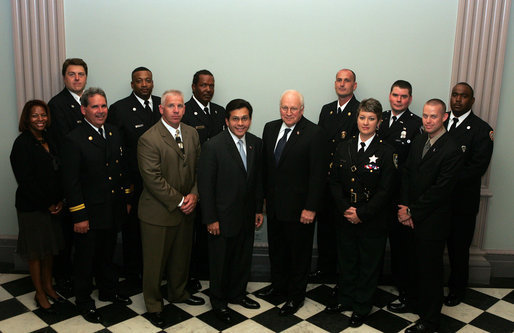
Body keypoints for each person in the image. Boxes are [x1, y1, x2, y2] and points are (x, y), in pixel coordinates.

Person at [61, 88, 132, 324]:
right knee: (85, 259)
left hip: (111, 208)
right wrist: (79, 216)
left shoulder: (113, 132)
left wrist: (126, 200)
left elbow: (119, 170)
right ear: (84, 110)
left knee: (106, 253)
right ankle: (83, 300)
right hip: (89, 213)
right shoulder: (74, 139)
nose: (100, 111)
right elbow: (71, 183)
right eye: (95, 107)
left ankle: (107, 290)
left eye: (103, 106)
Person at [324, 98, 396, 328]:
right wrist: (346, 208)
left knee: (368, 264)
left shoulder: (386, 151)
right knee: (347, 261)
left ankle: (362, 306)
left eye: (371, 118)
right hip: (345, 215)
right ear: (356, 119)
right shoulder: (343, 147)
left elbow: (386, 190)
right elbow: (334, 182)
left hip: (371, 219)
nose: (366, 122)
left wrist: (362, 213)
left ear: (379, 122)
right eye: (362, 117)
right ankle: (345, 299)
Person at [137, 90, 204, 328]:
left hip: (187, 209)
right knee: (155, 264)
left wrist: (194, 195)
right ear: (161, 109)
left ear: (185, 109)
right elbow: (152, 179)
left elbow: (198, 169)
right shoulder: (149, 138)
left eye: (180, 106)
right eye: (171, 106)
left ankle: (178, 293)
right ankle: (154, 304)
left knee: (181, 258)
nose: (176, 110)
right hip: (158, 212)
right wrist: (180, 200)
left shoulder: (192, 133)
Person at [257, 90, 327, 316]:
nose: (288, 112)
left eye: (293, 108)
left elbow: (318, 175)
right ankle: (278, 288)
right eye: (284, 108)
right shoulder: (269, 128)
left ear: (302, 110)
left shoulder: (314, 133)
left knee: (299, 255)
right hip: (275, 208)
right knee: (277, 251)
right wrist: (263, 202)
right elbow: (266, 169)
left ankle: (295, 297)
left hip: (300, 210)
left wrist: (311, 207)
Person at [396, 99, 462, 333]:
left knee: (431, 272)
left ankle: (430, 321)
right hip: (410, 215)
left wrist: (412, 211)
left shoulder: (452, 148)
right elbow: (406, 173)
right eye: (425, 116)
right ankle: (415, 304)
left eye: (433, 116)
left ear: (444, 117)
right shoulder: (420, 139)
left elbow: (441, 191)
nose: (428, 120)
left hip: (432, 222)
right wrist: (404, 206)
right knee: (413, 266)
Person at [198, 98, 263, 323]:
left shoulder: (256, 143)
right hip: (221, 218)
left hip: (246, 216)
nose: (240, 123)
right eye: (235, 119)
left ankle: (238, 294)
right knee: (220, 262)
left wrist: (258, 209)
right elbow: (205, 187)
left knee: (242, 258)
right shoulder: (213, 146)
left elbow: (256, 181)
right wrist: (210, 219)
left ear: (250, 120)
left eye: (245, 118)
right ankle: (218, 300)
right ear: (227, 120)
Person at [107, 66, 161, 284]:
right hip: (133, 182)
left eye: (148, 80)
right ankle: (132, 274)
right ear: (132, 84)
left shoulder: (162, 105)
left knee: (158, 229)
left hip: (159, 181)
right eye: (139, 81)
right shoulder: (119, 109)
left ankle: (156, 271)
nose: (144, 84)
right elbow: (114, 150)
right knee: (132, 231)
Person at [10, 100, 65, 313]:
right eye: (35, 116)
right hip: (32, 208)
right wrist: (47, 204)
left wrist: (60, 200)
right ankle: (39, 292)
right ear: (27, 119)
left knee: (49, 249)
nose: (40, 119)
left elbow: (59, 171)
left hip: (54, 205)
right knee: (36, 251)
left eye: (43, 115)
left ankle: (49, 286)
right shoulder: (22, 144)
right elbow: (26, 181)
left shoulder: (50, 139)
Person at [444, 82, 494, 306]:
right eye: (454, 95)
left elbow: (477, 168)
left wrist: (442, 179)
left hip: (461, 203)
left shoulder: (482, 130)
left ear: (471, 101)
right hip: (437, 203)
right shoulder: (439, 121)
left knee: (458, 250)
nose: (457, 99)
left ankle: (457, 290)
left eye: (463, 96)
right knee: (431, 248)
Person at [377, 80, 423, 312]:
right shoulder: (379, 118)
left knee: (401, 248)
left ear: (410, 99)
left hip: (398, 197)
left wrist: (405, 202)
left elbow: (411, 169)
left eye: (403, 96)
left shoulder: (416, 124)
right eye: (395, 95)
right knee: (373, 243)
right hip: (376, 195)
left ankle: (404, 292)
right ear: (389, 95)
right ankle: (370, 288)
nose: (398, 99)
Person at [313, 69, 360, 283]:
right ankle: (325, 268)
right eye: (339, 80)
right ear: (335, 84)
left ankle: (344, 274)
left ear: (354, 85)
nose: (342, 84)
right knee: (324, 228)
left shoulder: (360, 110)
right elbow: (321, 143)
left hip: (345, 182)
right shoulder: (327, 110)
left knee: (345, 230)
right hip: (326, 179)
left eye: (347, 81)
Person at [182, 69, 226, 291]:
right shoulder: (185, 112)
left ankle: (210, 271)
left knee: (213, 228)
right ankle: (190, 275)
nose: (208, 89)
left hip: (218, 184)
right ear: (193, 87)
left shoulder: (220, 112)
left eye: (211, 85)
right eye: (203, 85)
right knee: (191, 234)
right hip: (193, 183)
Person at [48, 57, 88, 294]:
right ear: (64, 77)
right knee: (68, 235)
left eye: (80, 74)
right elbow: (65, 144)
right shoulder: (57, 104)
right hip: (70, 179)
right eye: (72, 74)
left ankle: (81, 276)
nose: (76, 78)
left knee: (85, 235)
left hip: (89, 179)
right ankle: (63, 279)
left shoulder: (91, 101)